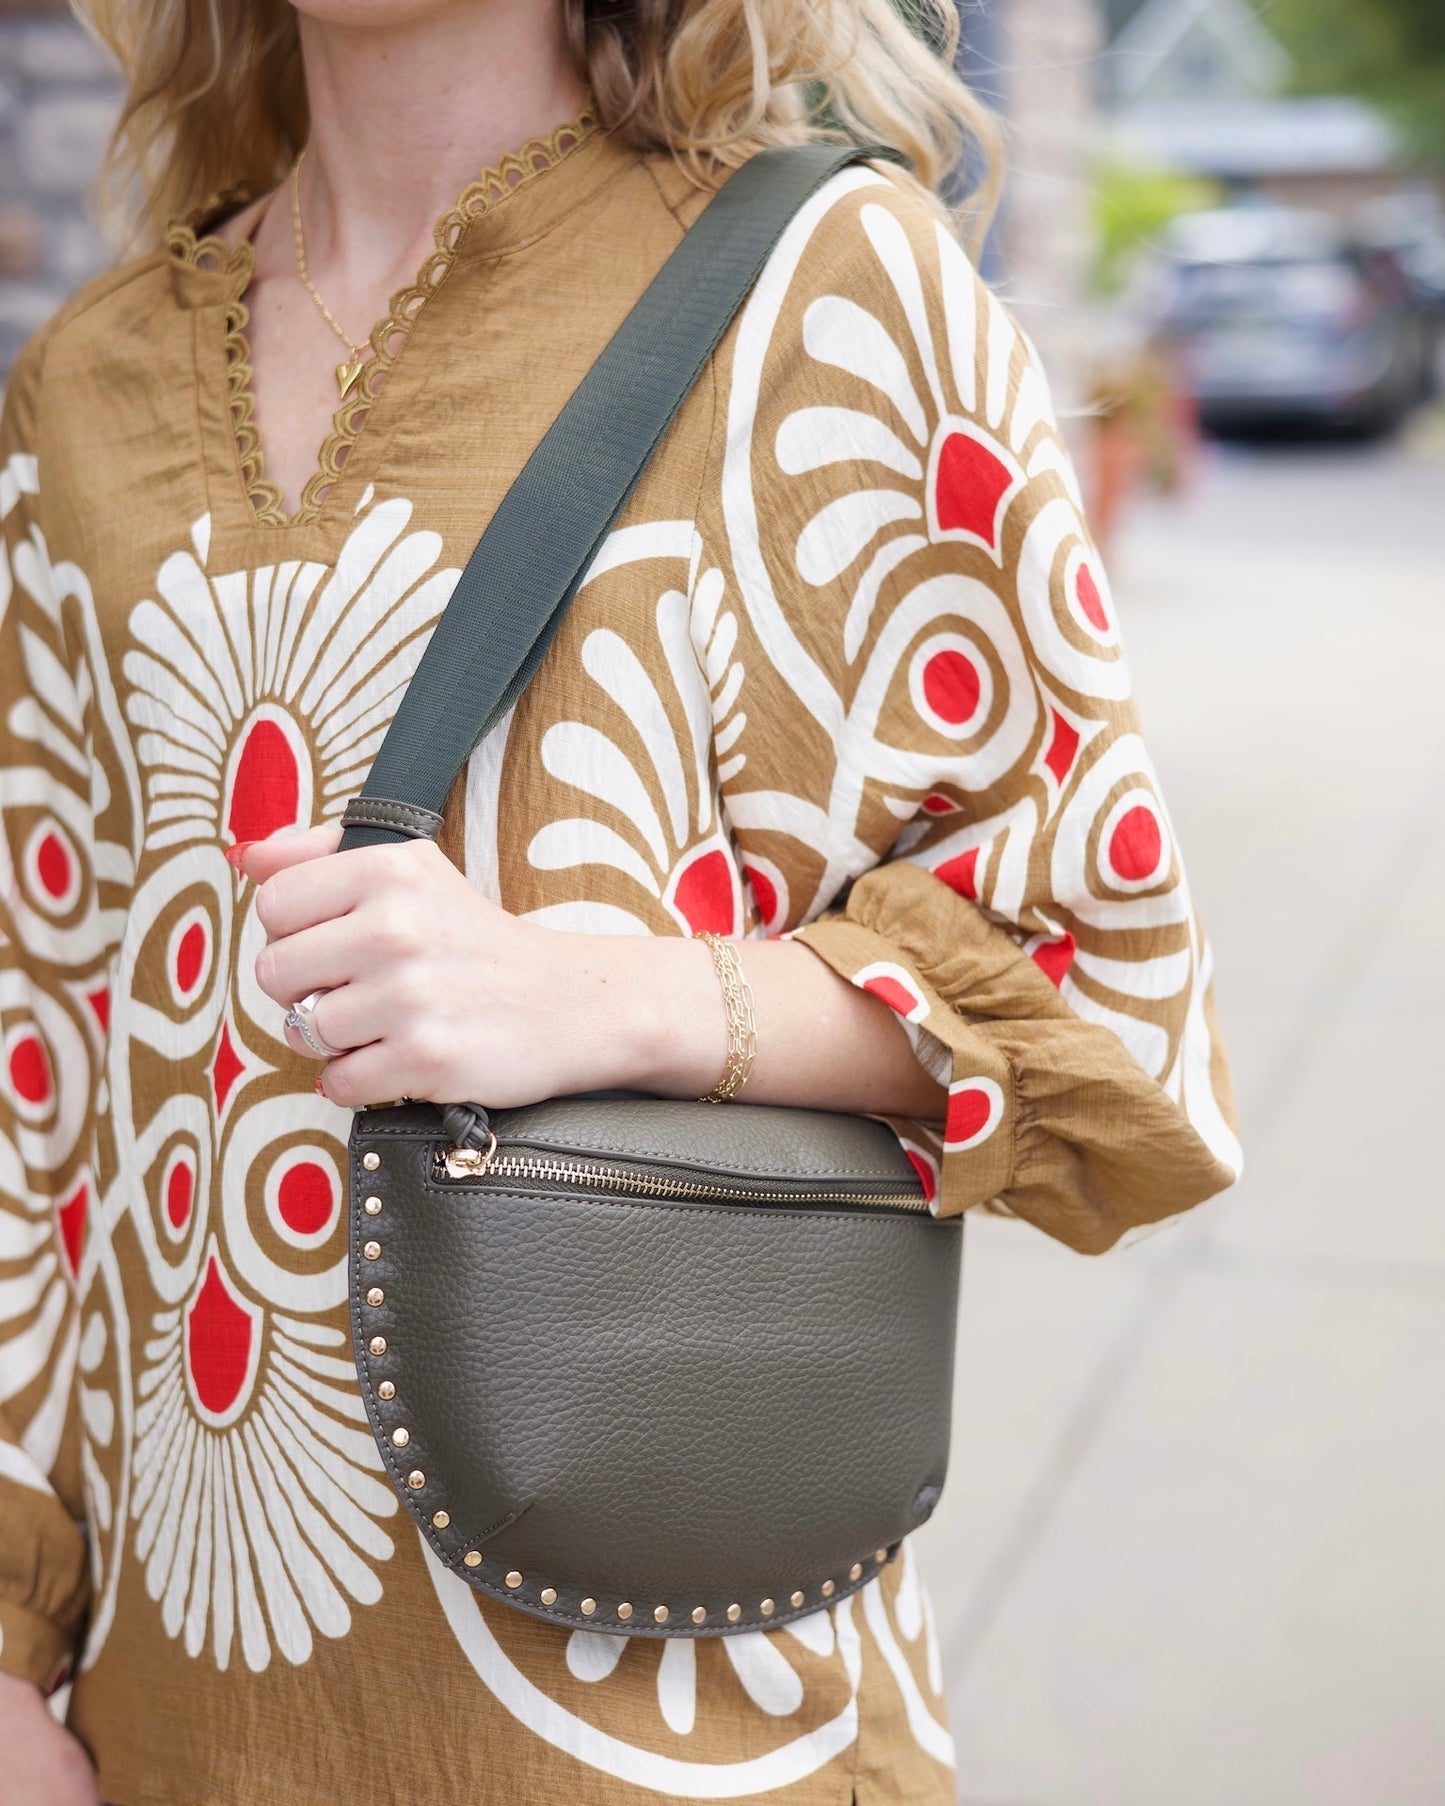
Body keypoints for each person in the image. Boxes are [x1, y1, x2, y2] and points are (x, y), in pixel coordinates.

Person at [0, 2, 1242, 1800]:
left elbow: (1104, 991)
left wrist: (625, 1000)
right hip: (163, 1702)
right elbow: (35, 1071)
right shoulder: (85, 389)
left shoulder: (827, 287)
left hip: (673, 1720)